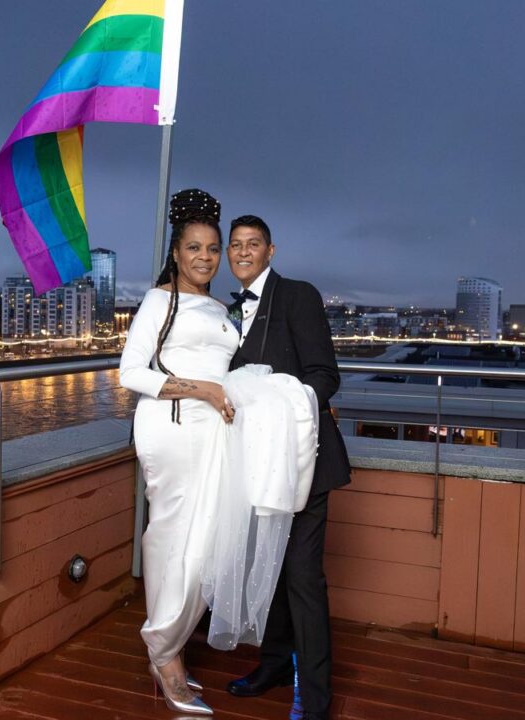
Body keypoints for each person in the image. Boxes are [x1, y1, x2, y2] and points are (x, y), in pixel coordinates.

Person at [223, 214, 352, 720]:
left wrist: (283, 406)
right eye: (235, 245)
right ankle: (275, 664)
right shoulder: (225, 311)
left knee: (301, 575)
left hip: (304, 464)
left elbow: (325, 376)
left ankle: (316, 697)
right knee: (269, 569)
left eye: (253, 244)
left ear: (270, 251)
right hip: (255, 465)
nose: (242, 252)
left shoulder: (297, 295)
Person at [119, 188, 236, 716]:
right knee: (172, 536)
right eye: (194, 248)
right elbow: (131, 373)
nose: (205, 258)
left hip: (215, 434)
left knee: (206, 539)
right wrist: (204, 390)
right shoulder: (157, 301)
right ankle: (166, 658)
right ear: (175, 252)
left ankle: (168, 647)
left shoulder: (218, 306)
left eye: (212, 248)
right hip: (173, 427)